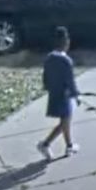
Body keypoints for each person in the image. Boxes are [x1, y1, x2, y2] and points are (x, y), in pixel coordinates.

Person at [37, 27, 80, 160]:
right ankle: (47, 144)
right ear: (66, 42)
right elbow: (70, 80)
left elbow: (45, 77)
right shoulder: (66, 61)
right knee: (65, 121)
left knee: (65, 120)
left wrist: (48, 87)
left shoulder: (49, 58)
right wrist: (76, 95)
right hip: (65, 94)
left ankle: (68, 145)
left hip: (54, 92)